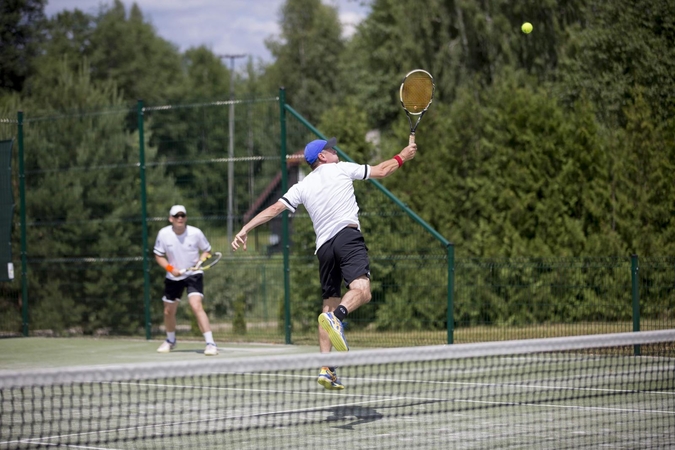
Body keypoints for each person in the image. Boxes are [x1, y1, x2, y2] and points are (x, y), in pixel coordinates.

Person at [231, 137, 417, 389]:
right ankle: (339, 317)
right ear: (322, 157)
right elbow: (383, 170)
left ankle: (326, 369)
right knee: (362, 291)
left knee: (327, 307)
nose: (335, 150)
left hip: (324, 250)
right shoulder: (340, 168)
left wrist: (246, 228)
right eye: (330, 149)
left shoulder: (302, 185)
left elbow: (274, 209)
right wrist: (403, 156)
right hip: (348, 237)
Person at [154, 205, 218, 356]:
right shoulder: (163, 234)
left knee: (196, 305)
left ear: (186, 217)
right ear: (171, 219)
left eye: (182, 215)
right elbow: (158, 255)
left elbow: (207, 250)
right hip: (173, 277)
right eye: (177, 216)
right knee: (168, 311)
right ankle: (170, 340)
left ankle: (210, 343)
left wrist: (199, 263)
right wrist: (171, 269)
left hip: (193, 275)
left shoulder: (195, 233)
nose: (180, 218)